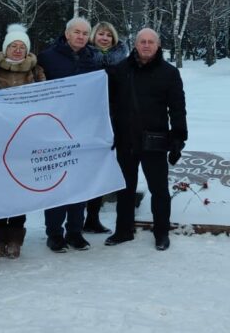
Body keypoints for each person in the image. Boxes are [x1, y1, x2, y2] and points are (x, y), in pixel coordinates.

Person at [105, 28, 188, 251]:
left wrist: (178, 137)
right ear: (135, 44)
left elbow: (177, 108)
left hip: (155, 141)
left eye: (151, 42)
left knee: (159, 189)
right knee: (125, 188)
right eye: (142, 41)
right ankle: (123, 230)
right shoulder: (120, 70)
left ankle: (161, 232)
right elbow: (107, 103)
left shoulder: (169, 73)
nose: (146, 45)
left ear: (158, 45)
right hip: (125, 140)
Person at [37, 17, 102, 253]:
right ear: (67, 34)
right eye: (77, 32)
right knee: (57, 182)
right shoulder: (47, 57)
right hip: (53, 128)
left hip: (82, 128)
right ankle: (54, 233)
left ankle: (75, 231)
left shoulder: (93, 59)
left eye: (85, 33)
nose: (81, 37)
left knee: (79, 181)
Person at [0, 23, 46, 259]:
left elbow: (48, 98)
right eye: (13, 46)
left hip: (25, 139)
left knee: (20, 190)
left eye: (22, 46)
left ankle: (15, 239)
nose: (18, 50)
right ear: (6, 48)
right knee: (0, 190)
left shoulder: (36, 71)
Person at [81, 20, 131, 234]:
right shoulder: (84, 57)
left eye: (108, 35)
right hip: (87, 119)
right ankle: (76, 219)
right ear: (93, 36)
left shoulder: (123, 62)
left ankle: (93, 216)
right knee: (87, 168)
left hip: (114, 119)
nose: (104, 38)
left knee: (105, 166)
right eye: (100, 34)